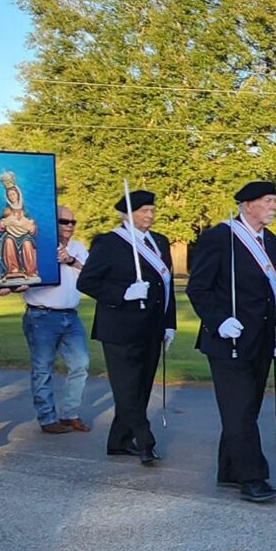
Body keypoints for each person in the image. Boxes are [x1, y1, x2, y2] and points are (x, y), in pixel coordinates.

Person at [188, 180, 276, 504]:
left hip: (260, 340)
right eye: (268, 201)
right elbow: (198, 288)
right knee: (240, 410)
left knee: (245, 410)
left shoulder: (270, 241)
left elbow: (271, 294)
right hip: (227, 340)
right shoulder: (220, 238)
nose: (273, 206)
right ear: (247, 205)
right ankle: (252, 477)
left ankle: (229, 469)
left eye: (274, 200)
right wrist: (219, 321)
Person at [77, 189, 176, 465]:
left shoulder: (160, 242)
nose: (149, 215)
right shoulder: (109, 243)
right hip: (119, 327)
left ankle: (119, 441)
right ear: (126, 214)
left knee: (142, 386)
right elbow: (86, 282)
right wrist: (124, 293)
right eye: (143, 211)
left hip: (152, 326)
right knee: (127, 387)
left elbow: (167, 287)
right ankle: (145, 440)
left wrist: (170, 324)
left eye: (151, 210)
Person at [22, 205, 92, 434]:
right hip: (42, 315)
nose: (69, 226)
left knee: (80, 364)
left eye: (73, 222)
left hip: (70, 316)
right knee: (43, 368)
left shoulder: (79, 248)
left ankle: (69, 414)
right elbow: (20, 278)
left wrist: (71, 261)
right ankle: (47, 418)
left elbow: (93, 274)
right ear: (53, 223)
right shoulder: (34, 247)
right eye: (64, 221)